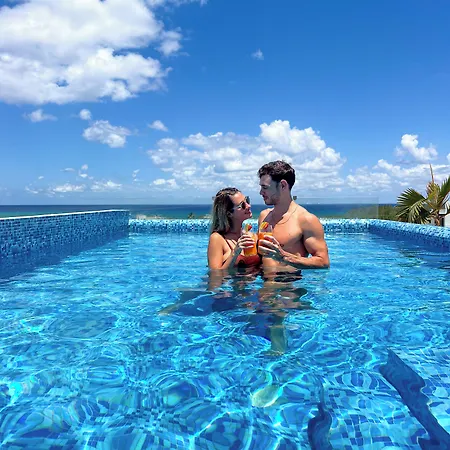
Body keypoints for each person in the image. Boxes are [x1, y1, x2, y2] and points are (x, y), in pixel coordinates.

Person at [257, 161, 330, 270]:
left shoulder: (306, 220)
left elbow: (323, 262)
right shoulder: (264, 216)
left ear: (283, 185)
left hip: (289, 280)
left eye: (265, 187)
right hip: (262, 279)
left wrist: (283, 257)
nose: (260, 192)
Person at [207, 187, 261, 270]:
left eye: (247, 201)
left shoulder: (251, 236)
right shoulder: (217, 239)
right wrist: (235, 253)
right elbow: (215, 274)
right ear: (229, 214)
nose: (248, 206)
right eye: (242, 205)